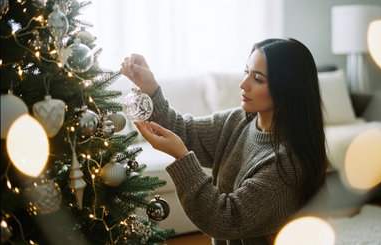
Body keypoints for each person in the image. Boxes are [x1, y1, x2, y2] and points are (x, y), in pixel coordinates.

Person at [121, 38, 328, 245]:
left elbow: (226, 219)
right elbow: (185, 131)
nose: (243, 84)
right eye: (246, 72)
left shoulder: (286, 166)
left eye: (257, 79)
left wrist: (182, 158)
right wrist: (150, 87)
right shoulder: (238, 121)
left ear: (287, 89)